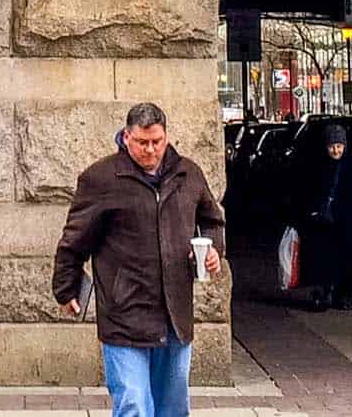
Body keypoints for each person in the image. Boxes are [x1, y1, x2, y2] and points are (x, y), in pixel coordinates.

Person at [53, 102, 226, 417]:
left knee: (172, 407)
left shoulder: (188, 173)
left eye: (157, 142)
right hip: (124, 311)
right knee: (133, 404)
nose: (151, 150)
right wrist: (66, 289)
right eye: (142, 142)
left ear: (166, 136)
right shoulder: (101, 178)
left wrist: (213, 248)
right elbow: (73, 241)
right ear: (126, 137)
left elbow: (212, 220)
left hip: (175, 311)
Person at [299, 124, 352, 310]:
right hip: (323, 222)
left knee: (346, 261)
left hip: (347, 221)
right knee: (323, 259)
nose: (336, 150)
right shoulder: (317, 166)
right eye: (332, 146)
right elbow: (307, 192)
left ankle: (343, 295)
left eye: (339, 146)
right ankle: (323, 293)